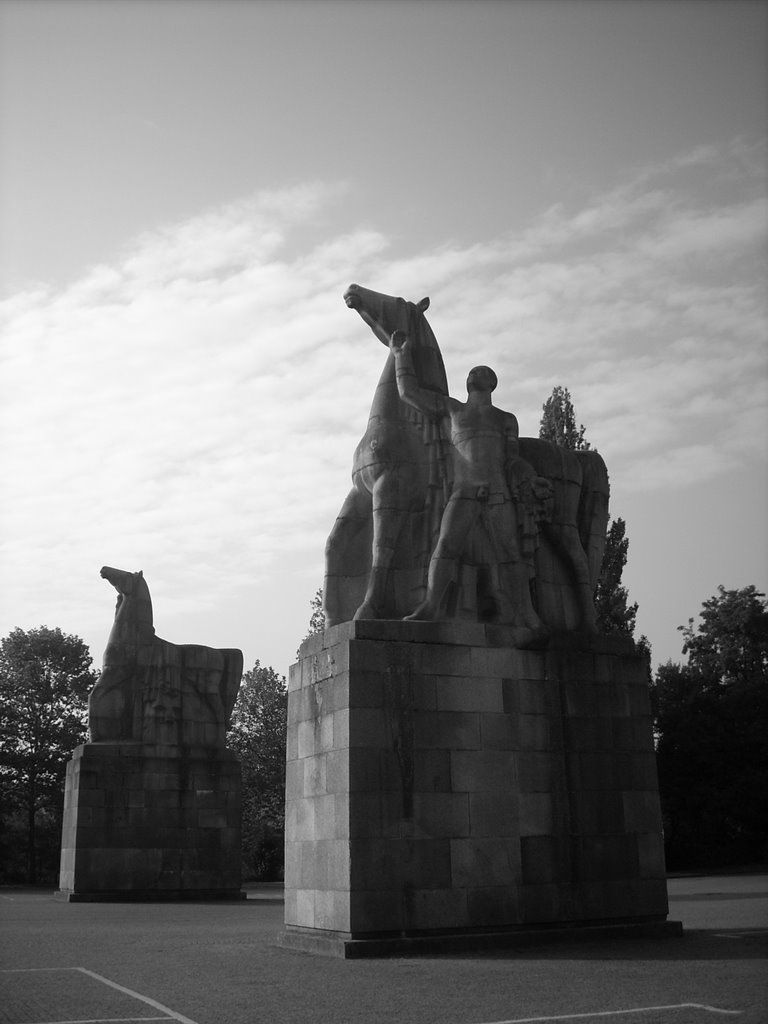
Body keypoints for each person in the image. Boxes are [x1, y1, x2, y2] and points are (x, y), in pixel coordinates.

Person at [390, 329, 546, 628]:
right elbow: (408, 393)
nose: (474, 373)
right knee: (446, 546)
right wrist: (400, 356)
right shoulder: (452, 410)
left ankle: (526, 614)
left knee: (511, 555)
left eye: (481, 371)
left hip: (499, 493)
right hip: (464, 491)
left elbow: (512, 460)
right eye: (472, 372)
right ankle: (431, 606)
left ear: (491, 383)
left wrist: (530, 478)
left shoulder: (505, 419)